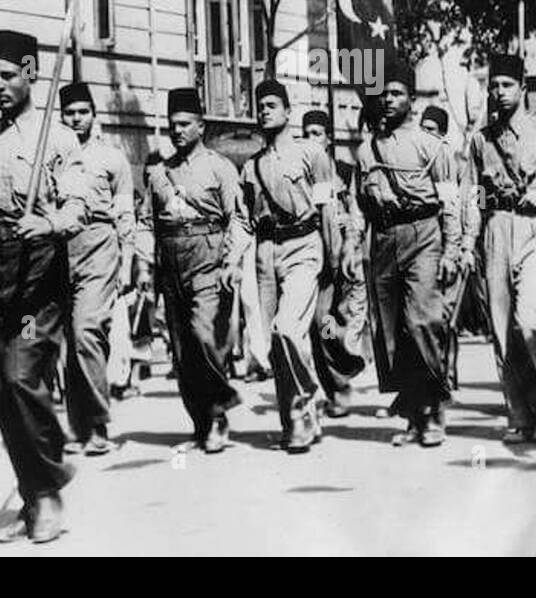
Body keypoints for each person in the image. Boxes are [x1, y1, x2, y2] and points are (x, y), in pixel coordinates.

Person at [0, 30, 91, 544]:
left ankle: (48, 485)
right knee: (4, 395)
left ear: (31, 70)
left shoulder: (61, 139)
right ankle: (35, 497)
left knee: (23, 377)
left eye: (7, 75)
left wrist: (48, 224)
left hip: (39, 275)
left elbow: (78, 206)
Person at [464, 52, 536, 444]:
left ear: (523, 87)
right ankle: (519, 415)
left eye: (506, 85)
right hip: (496, 230)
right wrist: (467, 244)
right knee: (502, 329)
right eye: (493, 85)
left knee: (529, 319)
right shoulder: (480, 141)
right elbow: (473, 196)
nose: (498, 92)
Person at [346, 62, 462, 448]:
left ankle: (434, 409)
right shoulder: (366, 151)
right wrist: (351, 246)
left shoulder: (433, 147)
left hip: (424, 234)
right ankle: (414, 415)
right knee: (393, 331)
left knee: (422, 321)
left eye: (396, 93)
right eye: (384, 93)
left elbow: (451, 203)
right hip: (383, 239)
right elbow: (357, 204)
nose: (388, 99)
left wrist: (452, 249)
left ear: (412, 99)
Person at [138, 88, 245, 453]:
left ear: (201, 125)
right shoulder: (160, 173)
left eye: (185, 124)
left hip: (208, 258)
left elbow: (239, 220)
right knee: (182, 350)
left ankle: (218, 413)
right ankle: (201, 421)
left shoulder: (220, 167)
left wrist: (231, 261)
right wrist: (143, 266)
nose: (178, 131)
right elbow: (146, 222)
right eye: (173, 125)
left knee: (204, 335)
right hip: (171, 262)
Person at [238, 82, 339, 452]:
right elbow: (244, 218)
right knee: (274, 342)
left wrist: (334, 256)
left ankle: (304, 405)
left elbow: (328, 208)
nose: (264, 111)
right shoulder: (251, 166)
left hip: (304, 244)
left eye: (271, 105)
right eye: (259, 106)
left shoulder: (312, 154)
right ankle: (298, 418)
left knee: (287, 330)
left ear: (287, 110)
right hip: (266, 250)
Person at [57, 82, 134, 456]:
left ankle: (98, 425)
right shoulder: (52, 155)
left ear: (93, 115)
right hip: (60, 249)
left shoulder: (112, 158)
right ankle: (78, 425)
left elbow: (125, 213)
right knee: (69, 340)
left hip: (100, 244)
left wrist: (129, 263)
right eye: (70, 113)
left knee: (87, 330)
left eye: (82, 112)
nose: (76, 119)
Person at [301, 109, 366, 418]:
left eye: (317, 133)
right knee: (320, 324)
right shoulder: (301, 172)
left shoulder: (345, 170)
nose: (311, 139)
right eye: (306, 133)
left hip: (341, 256)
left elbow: (356, 211)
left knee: (333, 320)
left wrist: (350, 243)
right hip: (309, 253)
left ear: (328, 138)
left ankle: (345, 370)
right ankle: (337, 384)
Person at [419, 103, 480, 388]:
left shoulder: (457, 164)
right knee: (429, 315)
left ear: (443, 134)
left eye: (431, 130)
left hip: (452, 248)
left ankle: (449, 371)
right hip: (424, 248)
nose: (426, 135)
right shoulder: (418, 163)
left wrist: (466, 246)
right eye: (423, 129)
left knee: (447, 316)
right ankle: (434, 374)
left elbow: (468, 204)